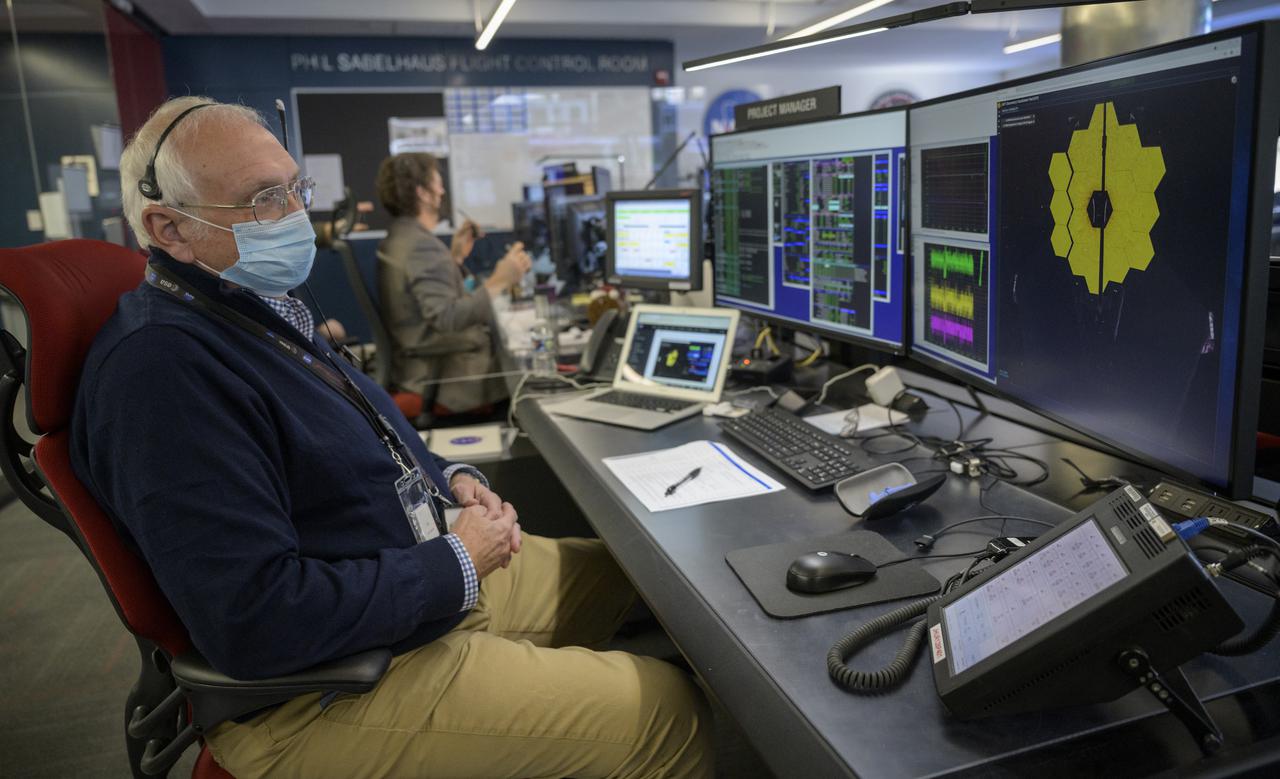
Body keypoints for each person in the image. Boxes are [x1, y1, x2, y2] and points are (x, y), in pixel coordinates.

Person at [70, 96, 711, 779]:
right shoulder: (163, 374)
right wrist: (457, 560)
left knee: (637, 579)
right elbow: (254, 617)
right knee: (668, 713)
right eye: (263, 198)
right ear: (169, 227)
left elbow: (366, 427)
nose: (295, 214)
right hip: (322, 690)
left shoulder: (248, 311)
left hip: (401, 586)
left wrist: (452, 482)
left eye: (295, 188)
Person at [376, 152, 532, 412]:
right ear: (423, 193)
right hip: (447, 379)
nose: (442, 191)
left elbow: (421, 298)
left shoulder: (401, 238)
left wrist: (455, 258)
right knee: (532, 387)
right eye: (437, 183)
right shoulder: (422, 247)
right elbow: (446, 317)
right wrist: (500, 280)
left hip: (419, 368)